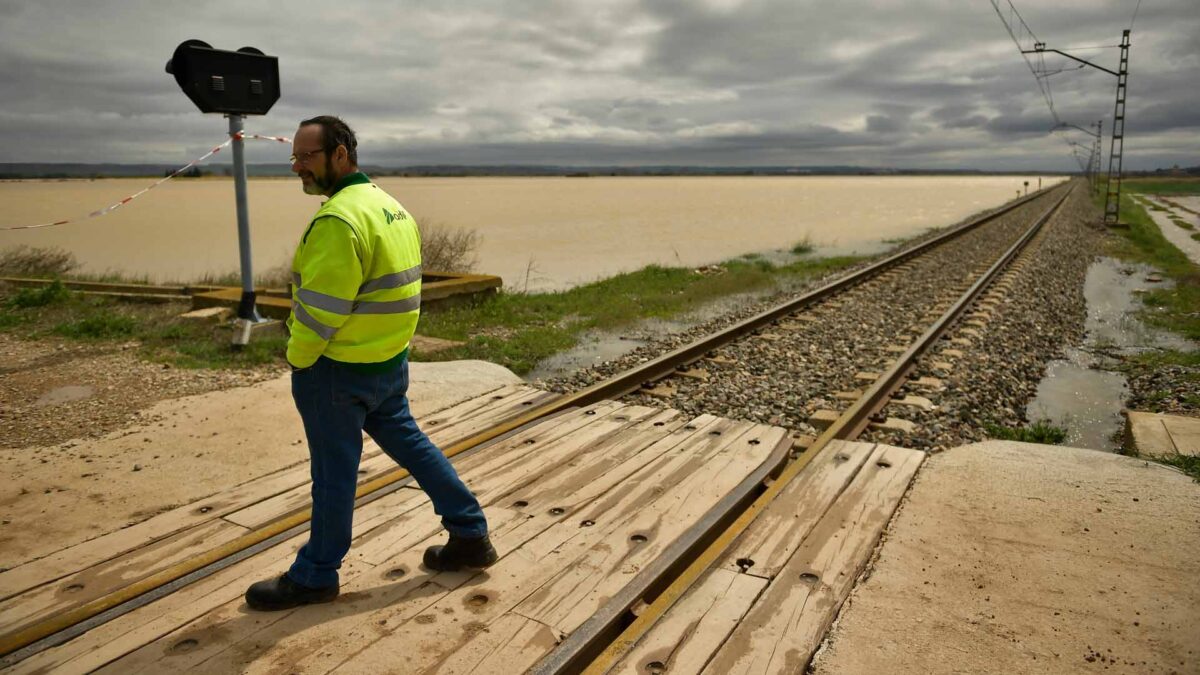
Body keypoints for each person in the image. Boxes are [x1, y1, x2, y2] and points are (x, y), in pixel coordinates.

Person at [245, 115, 496, 612]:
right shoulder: (389, 206)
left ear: (341, 154)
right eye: (293, 157)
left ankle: (316, 574)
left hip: (336, 371)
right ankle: (470, 533)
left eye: (307, 156)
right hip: (386, 362)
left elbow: (319, 312)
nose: (297, 166)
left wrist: (298, 360)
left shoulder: (338, 219)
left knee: (334, 473)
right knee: (414, 447)